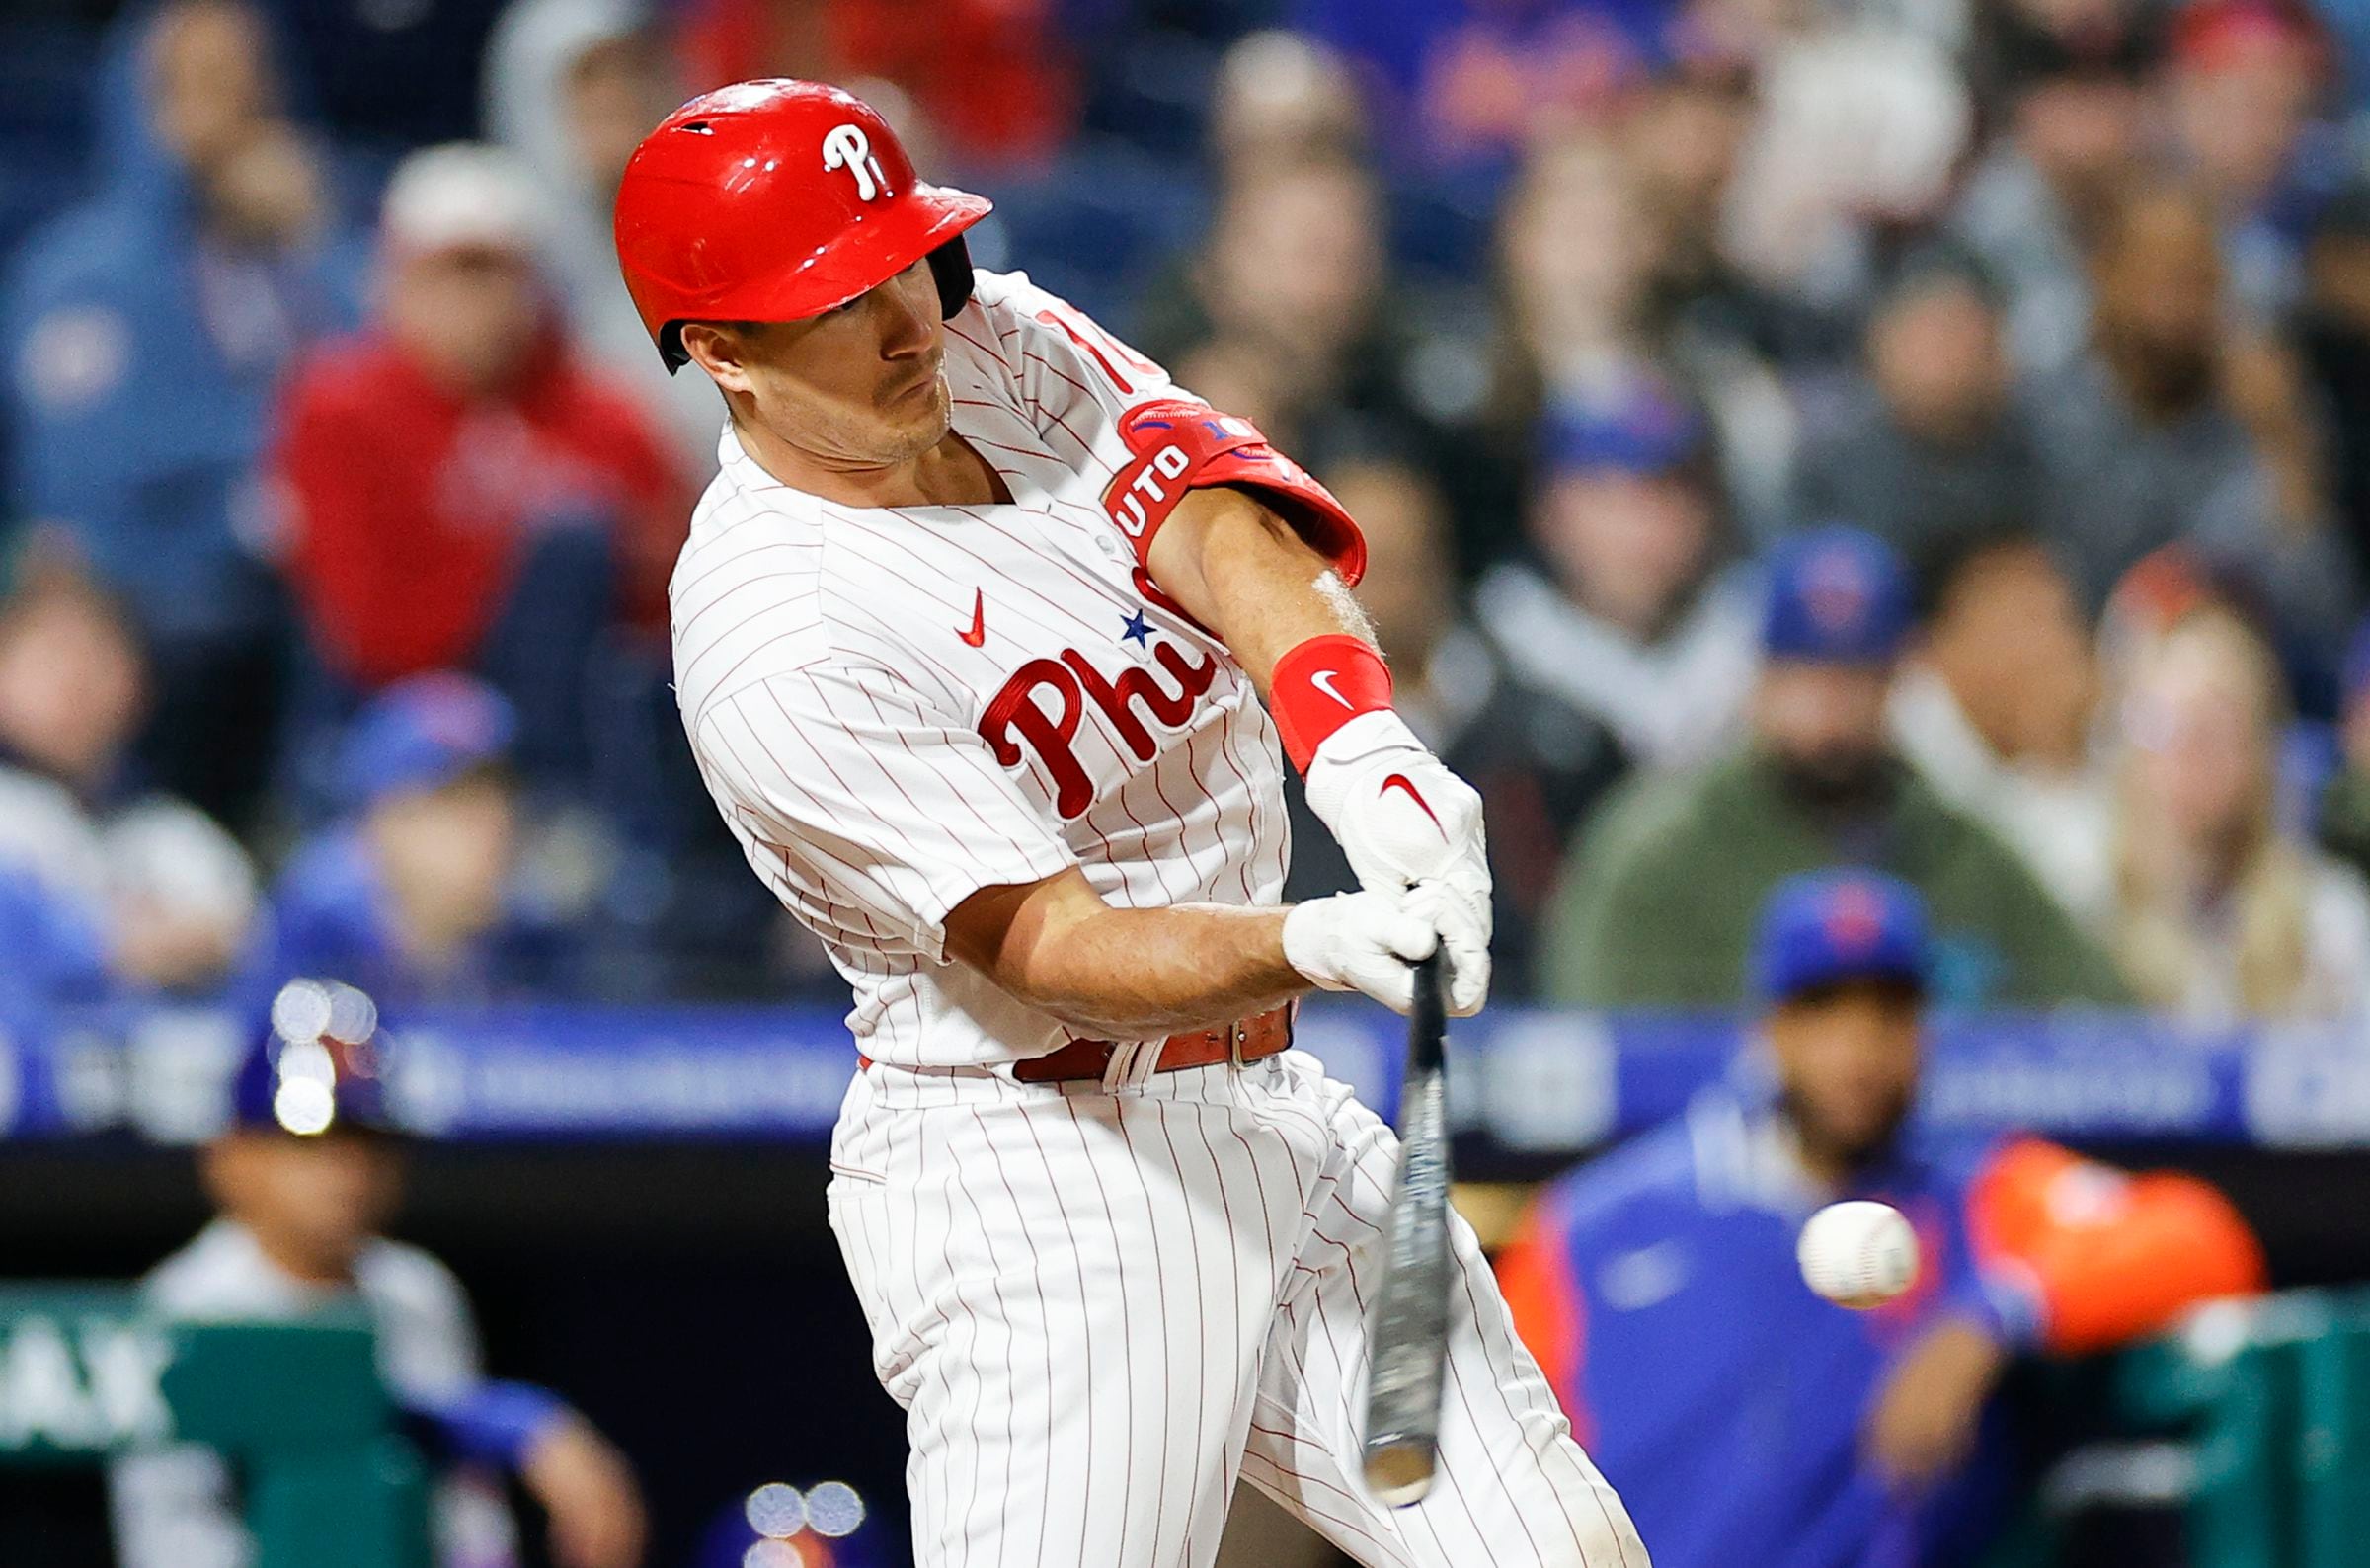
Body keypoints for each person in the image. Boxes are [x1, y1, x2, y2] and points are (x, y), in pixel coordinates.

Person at [618, 79, 1644, 1568]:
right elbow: (1052, 945)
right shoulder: (774, 634)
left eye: (906, 258)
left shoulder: (996, 341)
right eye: (838, 298)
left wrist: (1356, 741)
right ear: (721, 353)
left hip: (1265, 1112)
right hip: (1042, 1171)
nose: (909, 319)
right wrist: (1317, 936)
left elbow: (1214, 517)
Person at [1497, 871, 2265, 1568]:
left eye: (1889, 1013)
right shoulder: (1590, 1227)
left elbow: (2202, 1238)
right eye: (1825, 1011)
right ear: (1771, 1029)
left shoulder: (1977, 1197)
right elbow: (1489, 1464)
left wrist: (1990, 1317)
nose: (1860, 1050)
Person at [110, 979, 647, 1568]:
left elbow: (466, 1518)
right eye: (313, 1141)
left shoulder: (418, 1293)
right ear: (232, 1158)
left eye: (368, 1141)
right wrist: (512, 1423)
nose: (348, 1170)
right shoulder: (183, 1310)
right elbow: (172, 1545)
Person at [2, 0, 366, 826]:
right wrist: (258, 494)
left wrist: (318, 237)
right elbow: (88, 469)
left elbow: (378, 393)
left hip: (305, 569)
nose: (229, 115)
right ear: (141, 98)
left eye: (247, 87)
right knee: (213, 630)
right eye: (200, 87)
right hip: (151, 579)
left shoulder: (299, 256)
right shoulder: (77, 270)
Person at [1540, 526, 2125, 1008]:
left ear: (1899, 680)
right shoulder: (1661, 850)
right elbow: (1594, 1039)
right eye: (1807, 679)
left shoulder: (1958, 846)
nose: (1830, 715)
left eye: (1855, 680)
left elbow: (2101, 1011)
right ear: (1760, 681)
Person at [275, 142, 686, 794]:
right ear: (396, 284)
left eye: (495, 274)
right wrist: (518, 565)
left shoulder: (601, 409)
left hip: (594, 716)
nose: (474, 301)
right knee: (570, 546)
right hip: (396, 713)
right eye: (449, 275)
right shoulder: (339, 409)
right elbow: (371, 630)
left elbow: (677, 582)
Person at [2026, 179, 2348, 648]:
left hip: (2230, 669)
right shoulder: (2047, 401)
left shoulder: (2258, 405)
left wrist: (2283, 441)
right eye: (2155, 278)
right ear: (2104, 274)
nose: (2174, 307)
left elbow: (2321, 615)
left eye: (2196, 280)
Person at [0, 550, 257, 994]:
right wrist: (114, 946)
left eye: (97, 654)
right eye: (49, 655)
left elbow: (257, 951)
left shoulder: (177, 833)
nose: (75, 681)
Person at [241, 673, 580, 1007]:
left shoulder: (533, 936)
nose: (495, 825)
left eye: (502, 797)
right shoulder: (317, 929)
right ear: (382, 820)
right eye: (456, 801)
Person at [1471, 378, 1757, 774]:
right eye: (1612, 500)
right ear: (1547, 511)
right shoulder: (1490, 650)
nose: (1647, 530)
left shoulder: (1756, 634)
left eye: (1673, 493)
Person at [482, 0, 718, 476]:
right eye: (590, 79)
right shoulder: (498, 253)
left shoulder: (730, 226)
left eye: (635, 70)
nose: (619, 96)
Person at [2107, 606, 2370, 1020]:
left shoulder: (2328, 918)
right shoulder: (2089, 905)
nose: (2183, 758)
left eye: (2210, 732)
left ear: (2256, 752)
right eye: (2159, 729)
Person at [1889, 527, 2112, 930]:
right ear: (1940, 643)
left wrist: (2063, 764)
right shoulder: (1898, 741)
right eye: (2028, 619)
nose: (2057, 645)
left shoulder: (2088, 729)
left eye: (2063, 617)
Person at [1791, 251, 2041, 565]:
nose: (1947, 355)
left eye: (1960, 329)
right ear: (1881, 347)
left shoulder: (2039, 448)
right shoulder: (1837, 467)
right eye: (1929, 333)